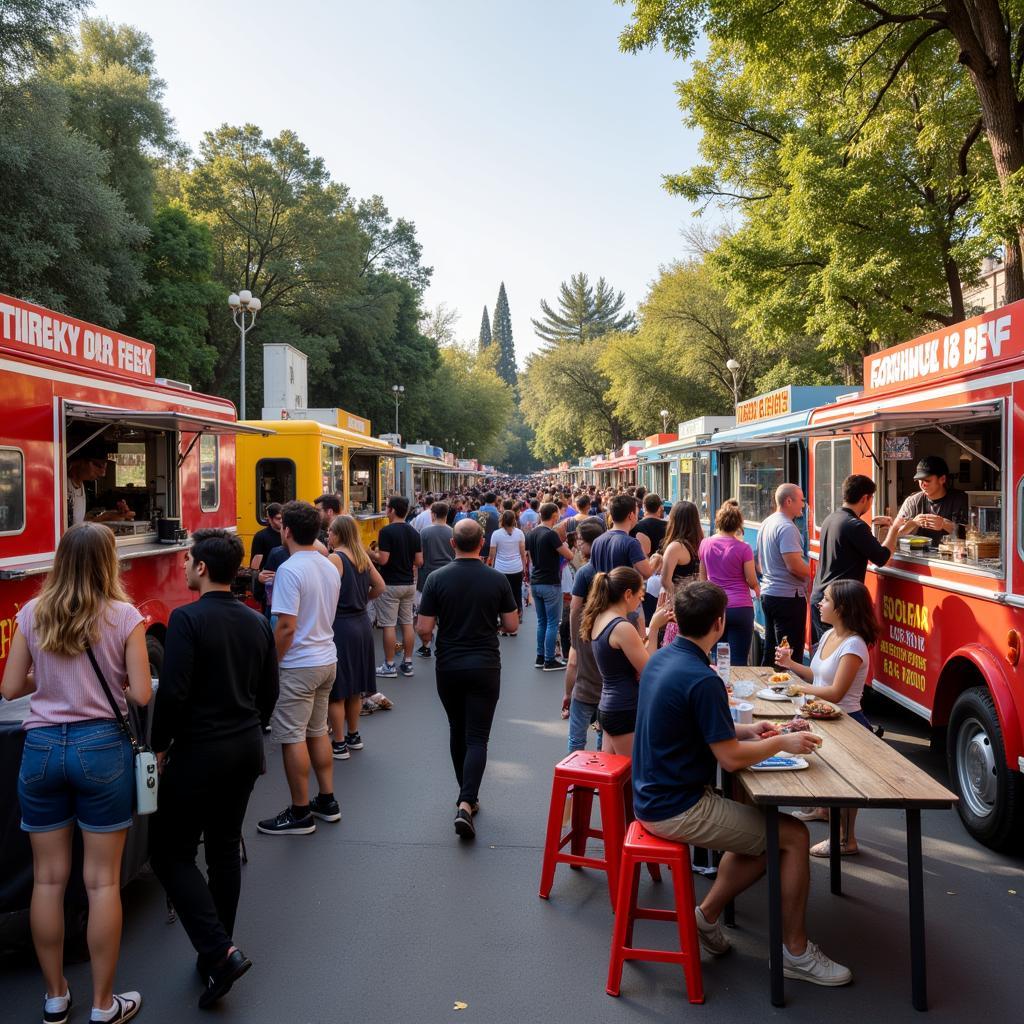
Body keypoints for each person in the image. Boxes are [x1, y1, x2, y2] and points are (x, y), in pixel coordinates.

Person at [631, 581, 850, 987]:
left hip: (652, 795)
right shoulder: (703, 678)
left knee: (768, 830)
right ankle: (796, 953)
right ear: (719, 623)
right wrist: (782, 741)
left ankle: (706, 916)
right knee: (795, 836)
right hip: (676, 807)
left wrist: (750, 732)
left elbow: (697, 729)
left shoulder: (661, 658)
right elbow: (728, 758)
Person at [1, 523, 151, 1024]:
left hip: (41, 749)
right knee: (101, 883)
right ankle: (104, 1005)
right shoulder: (124, 616)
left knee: (46, 881)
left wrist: (47, 677)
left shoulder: (32, 612)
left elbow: (8, 689)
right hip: (101, 749)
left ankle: (54, 997)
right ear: (110, 562)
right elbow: (141, 694)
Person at [150, 529, 279, 1009]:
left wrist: (159, 746)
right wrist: (253, 727)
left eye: (187, 562)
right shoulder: (256, 622)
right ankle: (218, 949)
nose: (184, 568)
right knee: (224, 847)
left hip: (200, 749)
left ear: (202, 568)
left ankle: (219, 950)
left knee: (170, 852)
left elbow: (175, 692)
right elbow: (269, 691)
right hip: (245, 746)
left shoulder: (186, 619)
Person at [415, 519, 519, 839]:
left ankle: (466, 795)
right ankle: (467, 800)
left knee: (457, 729)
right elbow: (512, 625)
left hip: (449, 665)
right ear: (483, 543)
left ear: (452, 544)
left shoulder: (436, 579)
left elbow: (423, 628)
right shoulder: (497, 579)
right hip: (486, 665)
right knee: (478, 737)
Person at [776, 579, 880, 857]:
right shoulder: (828, 635)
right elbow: (816, 675)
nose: (820, 603)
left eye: (827, 600)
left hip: (848, 723)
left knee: (843, 786)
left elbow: (835, 692)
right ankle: (830, 822)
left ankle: (846, 841)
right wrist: (790, 666)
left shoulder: (854, 645)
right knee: (830, 781)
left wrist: (797, 688)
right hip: (823, 719)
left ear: (843, 608)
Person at [258, 500, 342, 836]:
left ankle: (299, 811)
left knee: (292, 737)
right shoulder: (328, 565)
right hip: (326, 658)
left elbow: (286, 627)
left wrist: (272, 664)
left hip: (298, 664)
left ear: (286, 530)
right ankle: (327, 799)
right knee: (318, 730)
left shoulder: (291, 570)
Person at [811, 474, 913, 642]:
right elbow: (882, 558)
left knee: (823, 657)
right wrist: (894, 528)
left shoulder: (831, 518)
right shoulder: (856, 525)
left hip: (821, 596)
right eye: (871, 498)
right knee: (838, 657)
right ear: (865, 497)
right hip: (839, 603)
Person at [580, 566, 670, 757]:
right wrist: (653, 629)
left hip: (608, 706)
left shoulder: (600, 618)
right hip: (624, 707)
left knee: (613, 778)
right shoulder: (622, 627)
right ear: (628, 594)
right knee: (633, 774)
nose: (641, 600)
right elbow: (649, 670)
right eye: (640, 595)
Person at [325, 515, 386, 760]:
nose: (327, 535)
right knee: (355, 688)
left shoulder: (335, 558)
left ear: (339, 534)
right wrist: (363, 600)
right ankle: (354, 735)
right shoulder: (362, 556)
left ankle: (339, 743)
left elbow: (326, 592)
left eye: (330, 531)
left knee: (337, 690)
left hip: (341, 625)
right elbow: (380, 586)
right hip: (361, 623)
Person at [562, 520, 606, 752]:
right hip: (609, 692)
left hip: (583, 690)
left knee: (576, 739)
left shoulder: (585, 572)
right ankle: (602, 775)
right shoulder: (615, 629)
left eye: (580, 541)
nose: (577, 545)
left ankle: (576, 782)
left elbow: (574, 610)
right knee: (603, 735)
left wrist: (573, 641)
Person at [756, 483, 811, 666]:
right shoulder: (787, 527)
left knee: (772, 649)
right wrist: (815, 572)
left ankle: (766, 689)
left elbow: (760, 562)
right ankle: (785, 691)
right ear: (789, 501)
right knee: (789, 655)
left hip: (769, 594)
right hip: (787, 597)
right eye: (801, 500)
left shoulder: (767, 522)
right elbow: (793, 565)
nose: (803, 504)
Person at [698, 501, 759, 666]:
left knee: (719, 658)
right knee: (738, 659)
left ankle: (721, 690)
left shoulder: (705, 544)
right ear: (738, 524)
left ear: (719, 521)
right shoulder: (744, 548)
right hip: (740, 608)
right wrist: (756, 588)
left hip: (715, 607)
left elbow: (702, 579)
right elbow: (751, 579)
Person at [369, 495, 422, 678]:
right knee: (407, 623)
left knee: (389, 625)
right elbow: (419, 561)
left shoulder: (386, 532)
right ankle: (408, 663)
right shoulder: (414, 532)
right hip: (408, 584)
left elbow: (383, 560)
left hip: (390, 583)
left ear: (391, 510)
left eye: (386, 507)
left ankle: (389, 665)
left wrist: (370, 553)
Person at [525, 502, 575, 670]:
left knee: (542, 622)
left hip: (536, 581)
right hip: (550, 582)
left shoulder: (532, 533)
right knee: (553, 622)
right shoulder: (551, 534)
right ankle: (549, 659)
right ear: (554, 515)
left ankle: (540, 657)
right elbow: (568, 555)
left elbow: (531, 557)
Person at [895, 455, 968, 548]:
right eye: (919, 480)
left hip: (950, 556)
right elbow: (895, 534)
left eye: (927, 480)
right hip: (918, 556)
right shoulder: (912, 501)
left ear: (942, 479)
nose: (923, 484)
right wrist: (913, 524)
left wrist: (944, 524)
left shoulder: (960, 499)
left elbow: (971, 535)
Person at [415, 501, 454, 656]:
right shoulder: (453, 532)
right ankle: (444, 646)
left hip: (427, 577)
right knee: (446, 614)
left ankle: (426, 645)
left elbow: (419, 560)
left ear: (433, 514)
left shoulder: (424, 533)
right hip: (449, 577)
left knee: (426, 613)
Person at [66, 442, 135, 527]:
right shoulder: (61, 485)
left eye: (105, 468)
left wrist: (109, 516)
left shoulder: (81, 486)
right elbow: (69, 528)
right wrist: (104, 518)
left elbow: (79, 523)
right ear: (80, 462)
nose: (103, 474)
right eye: (99, 466)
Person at [589, 493, 653, 578]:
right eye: (637, 515)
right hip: (624, 590)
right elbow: (647, 573)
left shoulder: (597, 541)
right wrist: (655, 560)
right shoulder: (631, 543)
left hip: (602, 591)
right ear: (631, 515)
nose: (637, 518)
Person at [487, 509, 527, 632]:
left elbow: (491, 555)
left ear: (502, 520)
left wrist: (489, 568)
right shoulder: (519, 533)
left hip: (500, 569)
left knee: (500, 594)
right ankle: (517, 614)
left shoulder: (496, 534)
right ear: (514, 520)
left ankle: (501, 617)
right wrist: (524, 567)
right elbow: (522, 553)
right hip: (516, 567)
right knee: (516, 592)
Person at [658, 500, 703, 603]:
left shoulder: (675, 547)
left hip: (680, 605)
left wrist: (676, 601)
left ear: (674, 520)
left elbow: (665, 581)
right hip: (698, 601)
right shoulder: (701, 544)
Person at [249, 503, 283, 613]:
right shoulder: (261, 537)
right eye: (278, 518)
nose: (281, 521)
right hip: (268, 585)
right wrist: (258, 578)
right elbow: (254, 565)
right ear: (270, 518)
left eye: (283, 518)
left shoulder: (288, 533)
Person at [630, 492, 667, 559]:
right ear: (659, 508)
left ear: (644, 507)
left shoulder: (635, 526)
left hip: (642, 565)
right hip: (664, 564)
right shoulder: (669, 526)